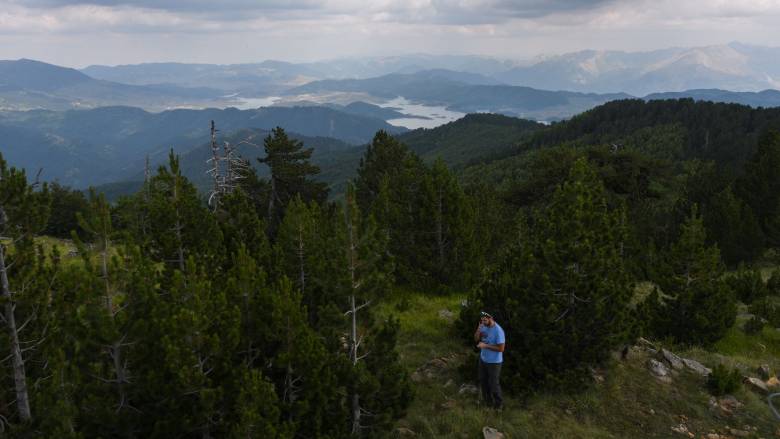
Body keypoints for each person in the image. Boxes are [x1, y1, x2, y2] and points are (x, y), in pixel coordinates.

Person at [474, 311, 505, 409]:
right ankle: (487, 402)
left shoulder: (498, 331)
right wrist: (478, 330)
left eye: (485, 320)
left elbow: (501, 349)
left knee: (493, 384)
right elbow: (476, 339)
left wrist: (485, 346)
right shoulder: (482, 326)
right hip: (483, 359)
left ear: (491, 318)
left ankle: (499, 405)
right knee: (483, 381)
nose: (483, 322)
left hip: (494, 362)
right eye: (482, 320)